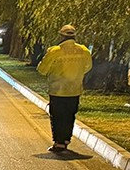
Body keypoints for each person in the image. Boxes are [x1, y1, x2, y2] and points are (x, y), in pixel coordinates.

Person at [37, 24, 93, 153]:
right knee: (70, 115)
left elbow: (42, 70)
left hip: (58, 90)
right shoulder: (84, 50)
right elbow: (88, 67)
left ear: (61, 36)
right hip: (75, 90)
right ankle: (66, 139)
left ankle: (59, 142)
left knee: (57, 116)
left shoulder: (55, 51)